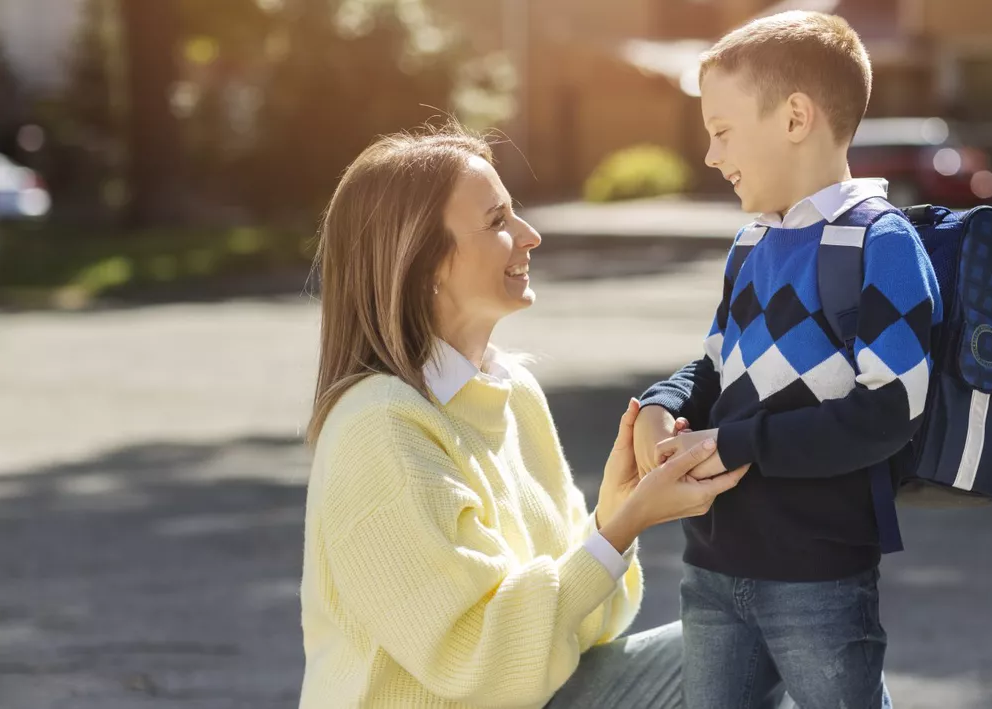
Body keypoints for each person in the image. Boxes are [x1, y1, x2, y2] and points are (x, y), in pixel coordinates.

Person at [298, 129, 749, 708]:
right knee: (761, 648)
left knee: (775, 636)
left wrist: (612, 513)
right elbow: (479, 666)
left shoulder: (511, 392)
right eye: (497, 221)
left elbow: (582, 632)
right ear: (422, 261)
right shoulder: (380, 428)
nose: (530, 236)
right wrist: (619, 530)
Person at [633, 12, 943, 709]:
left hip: (817, 576)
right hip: (711, 566)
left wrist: (736, 442)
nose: (710, 154)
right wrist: (664, 404)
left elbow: (887, 412)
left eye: (721, 130)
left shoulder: (880, 243)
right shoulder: (749, 244)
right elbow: (715, 366)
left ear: (796, 117)